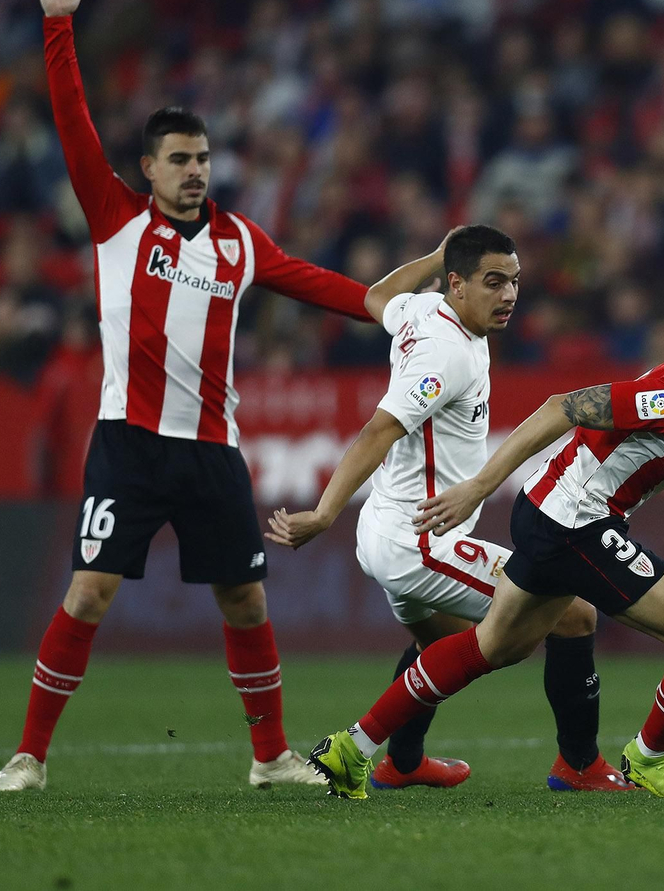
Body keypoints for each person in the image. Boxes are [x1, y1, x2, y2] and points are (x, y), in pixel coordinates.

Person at [0, 0, 375, 792]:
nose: (196, 173)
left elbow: (322, 286)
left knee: (246, 603)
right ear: (147, 170)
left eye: (204, 160)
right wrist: (58, 29)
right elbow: (72, 123)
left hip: (210, 452)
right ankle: (29, 757)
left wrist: (395, 307)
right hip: (128, 444)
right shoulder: (115, 219)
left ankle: (269, 757)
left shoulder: (240, 240)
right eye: (180, 161)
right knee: (89, 593)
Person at [309, 296, 664, 799]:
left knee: (493, 645)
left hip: (552, 515)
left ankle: (352, 748)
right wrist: (479, 487)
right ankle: (652, 756)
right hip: (574, 520)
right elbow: (563, 407)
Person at [266, 225, 635, 792]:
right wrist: (322, 512)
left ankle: (403, 762)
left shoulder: (421, 309)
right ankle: (579, 765)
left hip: (390, 527)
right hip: (418, 537)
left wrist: (436, 256)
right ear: (458, 285)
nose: (509, 295)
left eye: (514, 281)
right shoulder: (445, 356)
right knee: (572, 612)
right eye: (494, 282)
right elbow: (378, 431)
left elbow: (374, 299)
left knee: (438, 645)